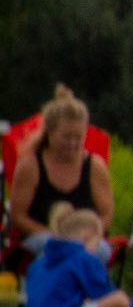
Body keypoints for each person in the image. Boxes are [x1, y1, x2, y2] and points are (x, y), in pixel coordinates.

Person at [8, 86, 113, 254]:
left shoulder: (95, 166)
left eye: (78, 137)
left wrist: (88, 236)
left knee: (100, 250)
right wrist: (57, 237)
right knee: (49, 246)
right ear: (50, 132)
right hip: (42, 238)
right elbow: (18, 216)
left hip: (86, 240)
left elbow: (106, 213)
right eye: (66, 137)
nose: (72, 143)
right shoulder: (31, 166)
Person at [23, 203, 133, 307]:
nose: (96, 248)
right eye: (98, 242)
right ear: (87, 235)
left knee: (88, 302)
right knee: (120, 300)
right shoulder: (84, 258)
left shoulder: (38, 262)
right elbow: (103, 292)